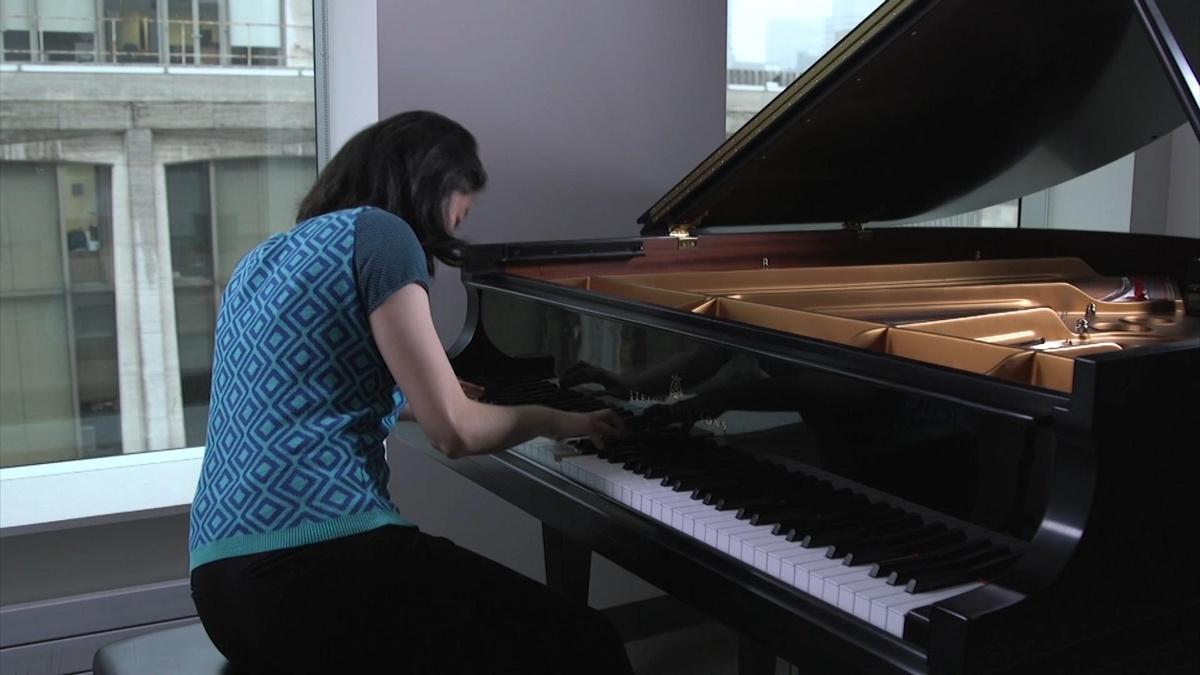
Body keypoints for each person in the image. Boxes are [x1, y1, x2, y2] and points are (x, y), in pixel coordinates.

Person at [187, 110, 633, 674]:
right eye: (462, 200)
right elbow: (456, 433)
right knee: (587, 642)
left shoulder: (263, 259)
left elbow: (307, 396)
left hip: (222, 591)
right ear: (431, 182)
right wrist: (557, 419)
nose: (458, 219)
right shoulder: (382, 233)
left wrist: (418, 397)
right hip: (317, 569)